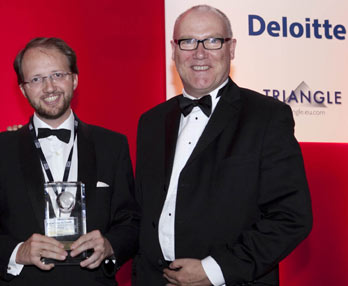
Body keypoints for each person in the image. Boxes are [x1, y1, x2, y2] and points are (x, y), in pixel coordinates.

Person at [133, 5, 312, 286]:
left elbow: (291, 217)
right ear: (173, 50)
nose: (199, 53)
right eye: (188, 41)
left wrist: (215, 270)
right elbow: (142, 213)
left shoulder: (267, 117)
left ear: (231, 49)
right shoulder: (150, 122)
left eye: (213, 41)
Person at [0, 37, 140, 286]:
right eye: (36, 79)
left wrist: (110, 245)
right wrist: (18, 252)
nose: (49, 87)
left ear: (75, 79)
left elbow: (131, 222)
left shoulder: (112, 145)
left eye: (58, 74)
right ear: (23, 89)